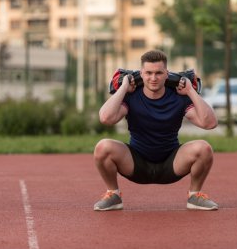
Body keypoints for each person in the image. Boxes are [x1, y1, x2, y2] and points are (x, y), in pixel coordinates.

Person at [93, 50, 219, 211]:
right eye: (149, 73)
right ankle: (113, 194)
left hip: (171, 164)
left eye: (159, 73)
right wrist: (124, 87)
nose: (153, 78)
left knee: (203, 148)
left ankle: (194, 195)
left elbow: (210, 123)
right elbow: (105, 118)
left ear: (167, 74)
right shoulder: (131, 96)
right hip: (136, 164)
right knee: (103, 147)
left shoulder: (178, 97)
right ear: (140, 74)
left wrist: (190, 91)